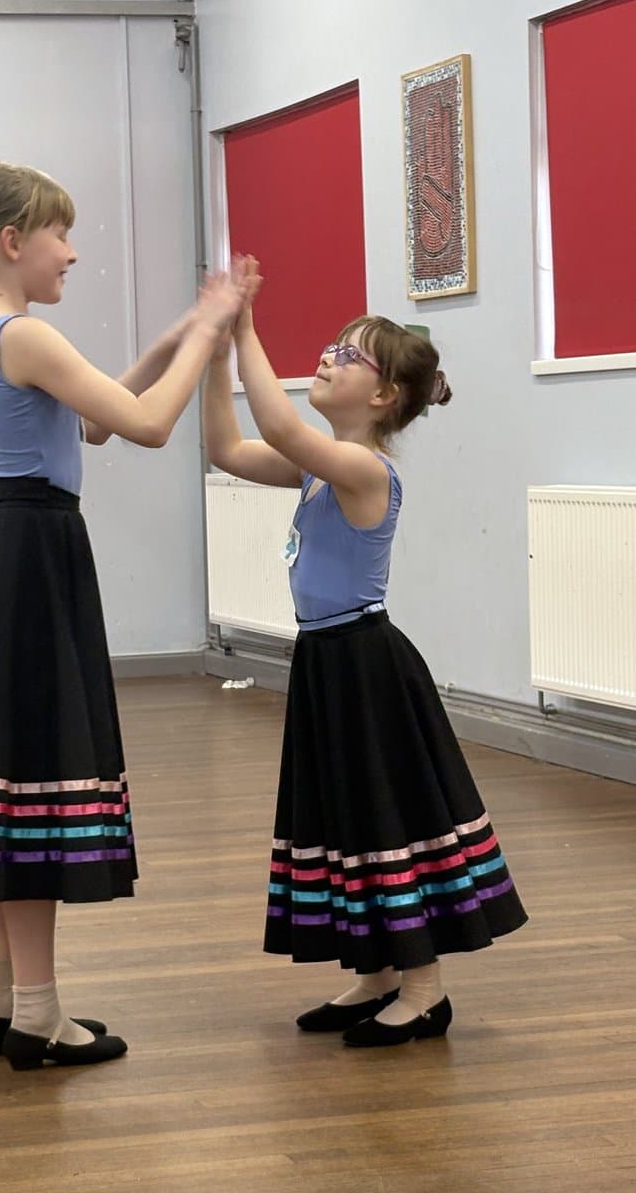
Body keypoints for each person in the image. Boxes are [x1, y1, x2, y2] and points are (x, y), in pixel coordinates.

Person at [0, 160, 247, 1070]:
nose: (71, 254)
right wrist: (209, 331)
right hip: (32, 556)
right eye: (60, 236)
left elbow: (95, 420)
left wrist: (169, 341)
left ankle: (5, 999)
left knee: (4, 780)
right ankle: (38, 1012)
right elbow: (151, 426)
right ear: (11, 241)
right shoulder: (25, 337)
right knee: (31, 779)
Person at [203, 257, 527, 1047]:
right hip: (326, 663)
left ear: (383, 397)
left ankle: (424, 987)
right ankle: (377, 973)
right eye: (332, 346)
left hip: (366, 665)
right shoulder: (319, 471)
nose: (328, 357)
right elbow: (228, 448)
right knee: (347, 815)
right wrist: (217, 355)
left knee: (389, 814)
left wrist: (243, 325)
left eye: (349, 356)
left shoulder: (359, 467)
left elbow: (279, 427)